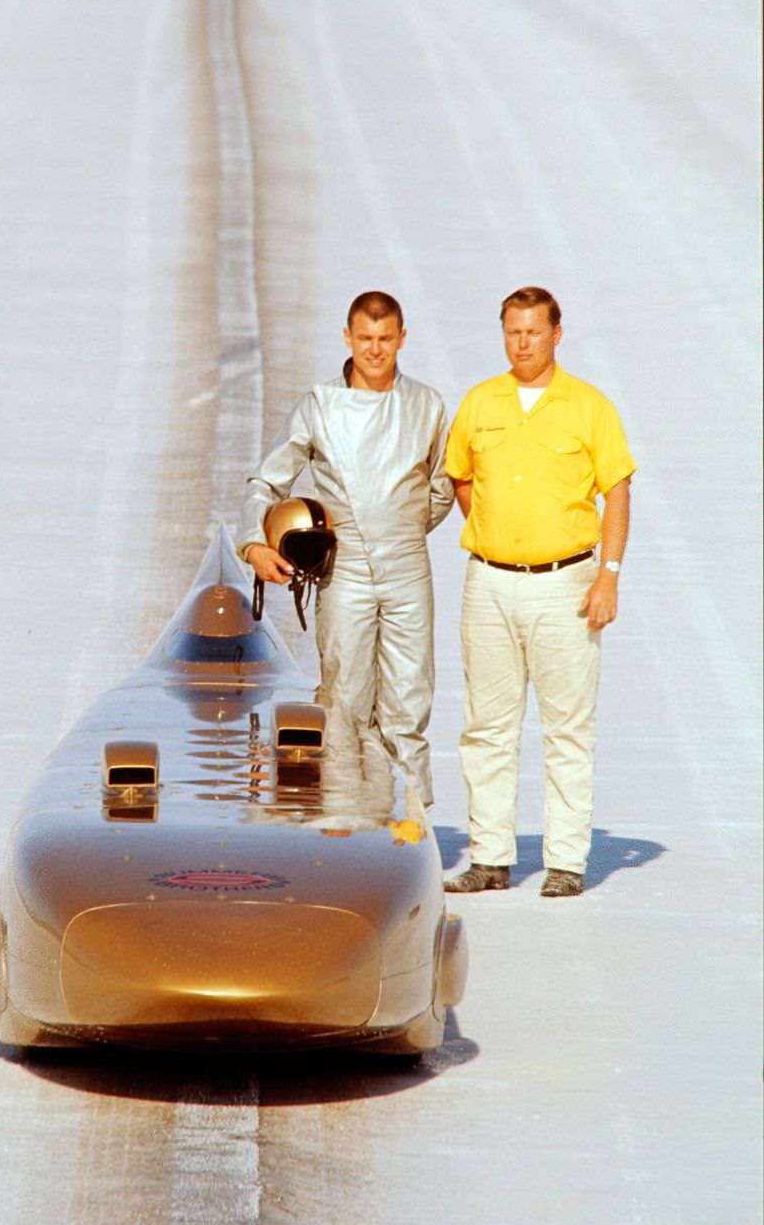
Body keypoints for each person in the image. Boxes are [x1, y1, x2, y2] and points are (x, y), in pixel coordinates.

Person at [442, 286, 635, 897]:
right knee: (487, 726)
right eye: (512, 331)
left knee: (567, 727)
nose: (522, 342)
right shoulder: (480, 402)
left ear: (556, 333)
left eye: (533, 331)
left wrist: (609, 573)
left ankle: (567, 862)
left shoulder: (588, 406)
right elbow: (462, 479)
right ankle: (491, 856)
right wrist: (499, 535)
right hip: (491, 584)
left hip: (568, 586)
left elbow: (618, 491)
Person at [238, 291, 454, 805]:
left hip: (407, 568)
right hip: (346, 572)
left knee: (409, 701)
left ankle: (409, 832)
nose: (376, 350)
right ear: (347, 338)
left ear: (403, 338)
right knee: (343, 703)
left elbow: (442, 487)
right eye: (365, 339)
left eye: (385, 339)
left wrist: (398, 529)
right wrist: (254, 544)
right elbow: (266, 482)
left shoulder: (427, 405)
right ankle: (343, 828)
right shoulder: (321, 404)